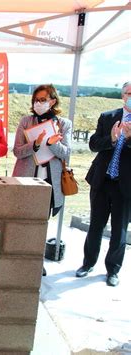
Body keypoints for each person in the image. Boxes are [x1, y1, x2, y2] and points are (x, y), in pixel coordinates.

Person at [12, 84, 72, 277]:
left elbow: (66, 154)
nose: (38, 103)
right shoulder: (26, 121)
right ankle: (17, 258)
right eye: (36, 100)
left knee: (41, 223)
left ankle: (36, 262)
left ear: (52, 101)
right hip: (26, 180)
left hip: (50, 183)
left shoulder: (64, 124)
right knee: (22, 222)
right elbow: (17, 151)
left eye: (43, 100)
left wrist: (54, 145)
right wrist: (34, 144)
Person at [75, 81, 131, 287]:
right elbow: (93, 144)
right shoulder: (108, 117)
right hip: (102, 180)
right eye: (128, 93)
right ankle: (87, 263)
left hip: (125, 186)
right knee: (95, 225)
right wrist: (112, 138)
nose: (130, 96)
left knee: (119, 230)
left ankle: (113, 270)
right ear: (122, 95)